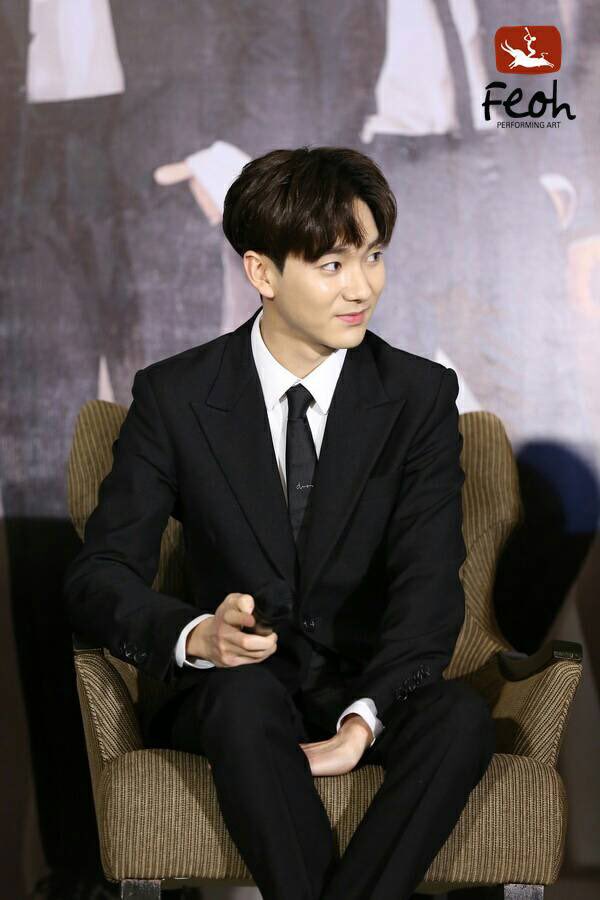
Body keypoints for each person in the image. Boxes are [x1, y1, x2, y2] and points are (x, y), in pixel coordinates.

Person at [62, 145, 496, 900]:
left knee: (460, 719)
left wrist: (362, 723)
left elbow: (429, 584)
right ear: (262, 273)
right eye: (332, 264)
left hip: (368, 686)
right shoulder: (175, 396)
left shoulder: (420, 396)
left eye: (373, 256)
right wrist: (200, 635)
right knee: (242, 698)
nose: (362, 286)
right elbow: (97, 576)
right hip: (237, 695)